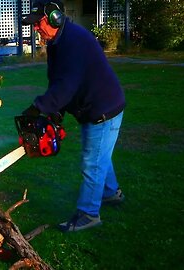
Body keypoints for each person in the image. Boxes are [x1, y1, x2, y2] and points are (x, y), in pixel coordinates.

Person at [21, 0, 126, 232]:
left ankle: (88, 214)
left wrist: (38, 108)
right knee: (100, 156)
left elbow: (67, 86)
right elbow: (56, 80)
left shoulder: (75, 41)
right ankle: (111, 193)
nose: (35, 29)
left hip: (103, 108)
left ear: (54, 18)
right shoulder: (56, 42)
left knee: (92, 162)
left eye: (38, 24)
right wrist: (55, 112)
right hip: (93, 106)